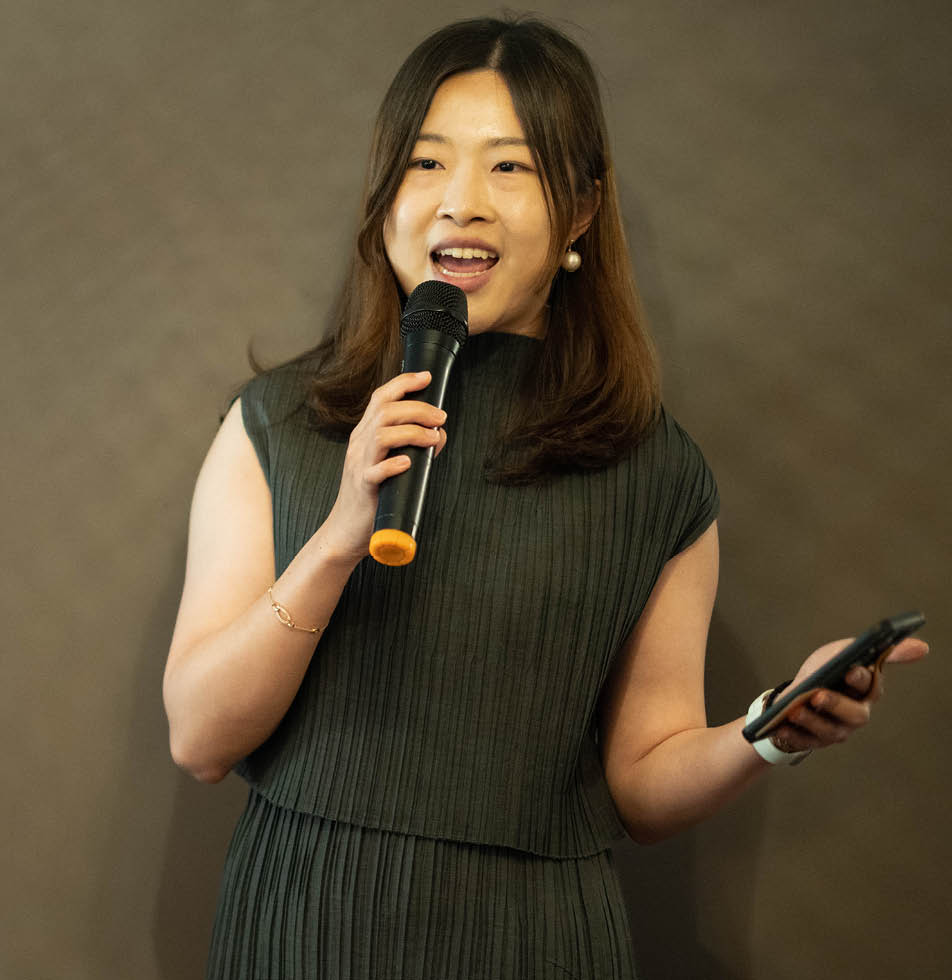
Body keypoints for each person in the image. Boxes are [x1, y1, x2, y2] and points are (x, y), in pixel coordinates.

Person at [162, 15, 927, 980]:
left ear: (578, 211)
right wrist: (338, 538)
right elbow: (199, 738)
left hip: (533, 938)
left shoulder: (654, 472)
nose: (460, 205)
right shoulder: (278, 422)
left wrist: (766, 732)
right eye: (426, 164)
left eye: (510, 168)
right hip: (303, 924)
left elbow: (646, 786)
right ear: (386, 192)